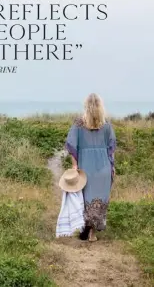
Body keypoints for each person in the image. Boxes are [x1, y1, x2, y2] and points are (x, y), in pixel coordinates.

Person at [65, 93, 116, 242]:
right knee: (99, 201)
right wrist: (112, 167)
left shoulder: (78, 124)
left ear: (86, 106)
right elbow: (111, 149)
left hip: (85, 168)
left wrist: (74, 165)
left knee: (85, 199)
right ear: (101, 106)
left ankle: (85, 228)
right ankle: (92, 233)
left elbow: (71, 146)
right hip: (103, 168)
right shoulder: (106, 125)